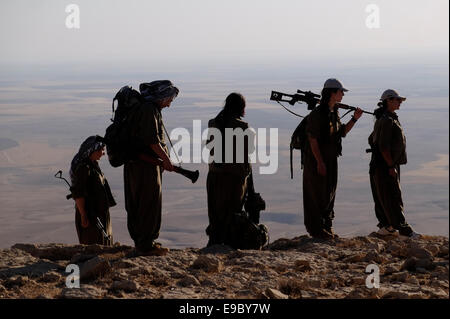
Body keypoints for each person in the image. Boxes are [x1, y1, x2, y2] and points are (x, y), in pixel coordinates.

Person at [123, 80, 178, 256]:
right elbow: (152, 141)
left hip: (137, 165)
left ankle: (142, 242)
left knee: (139, 202)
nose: (169, 104)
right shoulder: (148, 110)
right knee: (149, 203)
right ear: (162, 97)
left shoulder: (143, 108)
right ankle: (146, 245)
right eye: (169, 99)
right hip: (146, 167)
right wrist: (166, 160)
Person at [303, 79, 363, 239]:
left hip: (331, 159)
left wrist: (354, 119)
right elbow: (312, 139)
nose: (343, 94)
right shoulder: (317, 114)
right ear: (332, 92)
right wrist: (319, 162)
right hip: (317, 161)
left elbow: (341, 132)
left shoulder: (333, 112)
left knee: (329, 192)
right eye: (340, 91)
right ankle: (316, 230)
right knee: (316, 193)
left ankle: (326, 227)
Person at [368, 89, 420, 239]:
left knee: (383, 196)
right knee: (393, 196)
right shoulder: (387, 120)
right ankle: (404, 231)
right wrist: (390, 166)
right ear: (388, 101)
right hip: (385, 166)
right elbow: (383, 147)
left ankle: (387, 227)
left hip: (381, 165)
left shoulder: (385, 119)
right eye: (397, 100)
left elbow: (371, 140)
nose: (399, 103)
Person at [205, 92, 255, 246]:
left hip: (214, 175)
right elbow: (249, 151)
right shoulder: (243, 126)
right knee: (232, 212)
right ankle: (229, 242)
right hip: (234, 177)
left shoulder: (213, 122)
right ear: (241, 107)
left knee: (215, 212)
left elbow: (209, 146)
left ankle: (214, 241)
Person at [70, 135, 116, 245]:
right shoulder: (83, 168)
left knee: (104, 243)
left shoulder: (93, 165)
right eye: (101, 150)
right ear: (92, 150)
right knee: (93, 247)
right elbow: (78, 194)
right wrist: (83, 215)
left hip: (99, 214)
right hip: (90, 216)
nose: (103, 153)